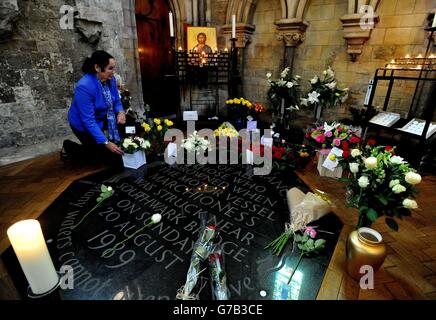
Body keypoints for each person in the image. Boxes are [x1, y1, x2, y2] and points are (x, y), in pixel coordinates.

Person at [65, 50, 126, 166]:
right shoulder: (84, 86)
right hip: (83, 125)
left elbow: (116, 100)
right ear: (97, 68)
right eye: (110, 68)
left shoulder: (111, 79)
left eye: (114, 68)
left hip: (102, 118)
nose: (113, 72)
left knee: (128, 125)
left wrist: (121, 112)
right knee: (101, 159)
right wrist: (106, 142)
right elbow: (88, 121)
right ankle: (70, 147)